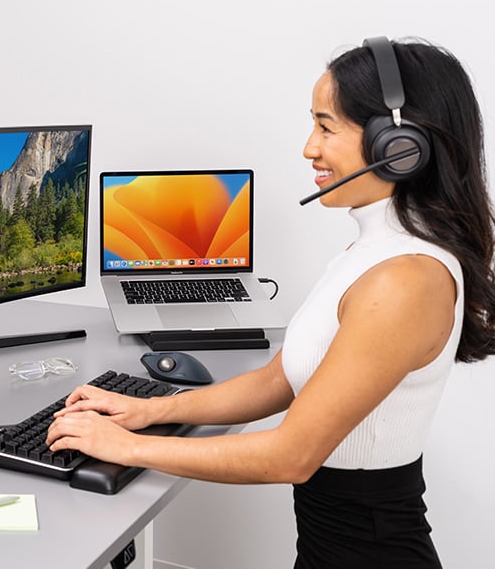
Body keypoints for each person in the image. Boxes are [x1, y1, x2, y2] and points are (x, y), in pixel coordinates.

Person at [47, 37, 495, 568]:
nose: (310, 147)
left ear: (398, 146)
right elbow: (278, 381)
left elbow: (292, 455)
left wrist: (126, 449)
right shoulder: (373, 252)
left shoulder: (405, 279)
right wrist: (147, 412)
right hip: (334, 546)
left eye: (326, 127)